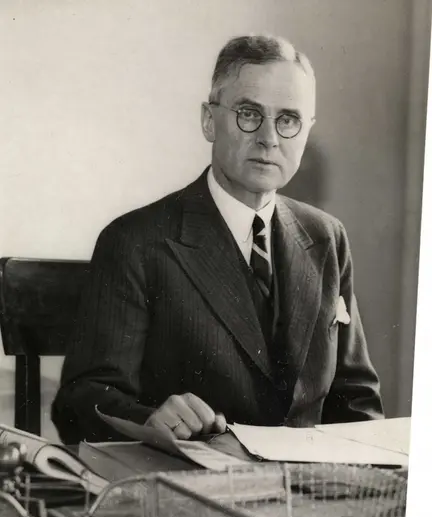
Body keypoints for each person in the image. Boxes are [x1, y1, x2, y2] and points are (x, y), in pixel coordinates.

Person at [52, 34, 383, 445]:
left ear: (306, 131)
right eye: (249, 113)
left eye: (288, 119)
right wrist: (151, 420)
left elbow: (357, 401)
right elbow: (82, 401)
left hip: (309, 481)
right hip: (188, 476)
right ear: (209, 121)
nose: (269, 138)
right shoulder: (135, 241)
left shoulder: (327, 237)